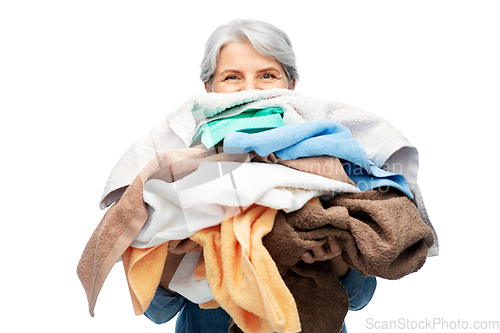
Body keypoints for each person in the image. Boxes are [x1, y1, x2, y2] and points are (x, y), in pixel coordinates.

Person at [144, 19, 377, 332]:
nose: (250, 90)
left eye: (267, 75)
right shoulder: (175, 169)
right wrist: (174, 249)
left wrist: (333, 253)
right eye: (232, 77)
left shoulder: (330, 161)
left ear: (290, 85)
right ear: (209, 89)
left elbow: (359, 298)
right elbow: (157, 312)